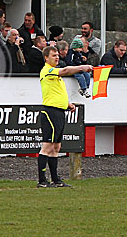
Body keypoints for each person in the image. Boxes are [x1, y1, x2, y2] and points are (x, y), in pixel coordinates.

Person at [37, 46, 93, 188]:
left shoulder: (55, 75)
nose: (57, 57)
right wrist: (82, 67)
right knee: (47, 146)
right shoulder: (47, 70)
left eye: (57, 55)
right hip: (51, 112)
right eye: (53, 55)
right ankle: (42, 180)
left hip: (60, 112)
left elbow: (54, 92)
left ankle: (55, 179)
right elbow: (66, 70)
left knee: (56, 147)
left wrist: (67, 104)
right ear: (46, 58)